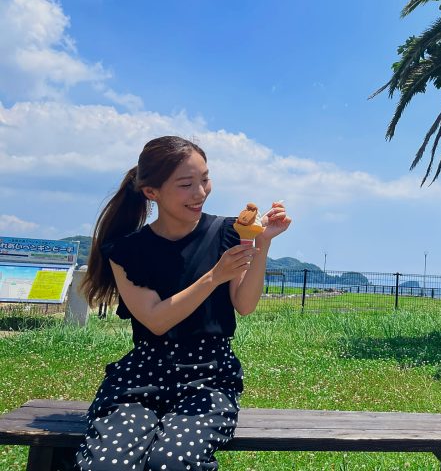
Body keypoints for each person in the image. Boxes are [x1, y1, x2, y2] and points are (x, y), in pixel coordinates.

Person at [75, 135, 291, 470]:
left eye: (205, 180)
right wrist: (213, 277)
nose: (200, 193)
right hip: (140, 377)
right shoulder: (127, 250)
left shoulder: (227, 232)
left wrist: (261, 243)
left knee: (173, 462)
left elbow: (244, 304)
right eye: (186, 184)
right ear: (152, 192)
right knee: (106, 464)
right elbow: (156, 320)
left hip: (209, 376)